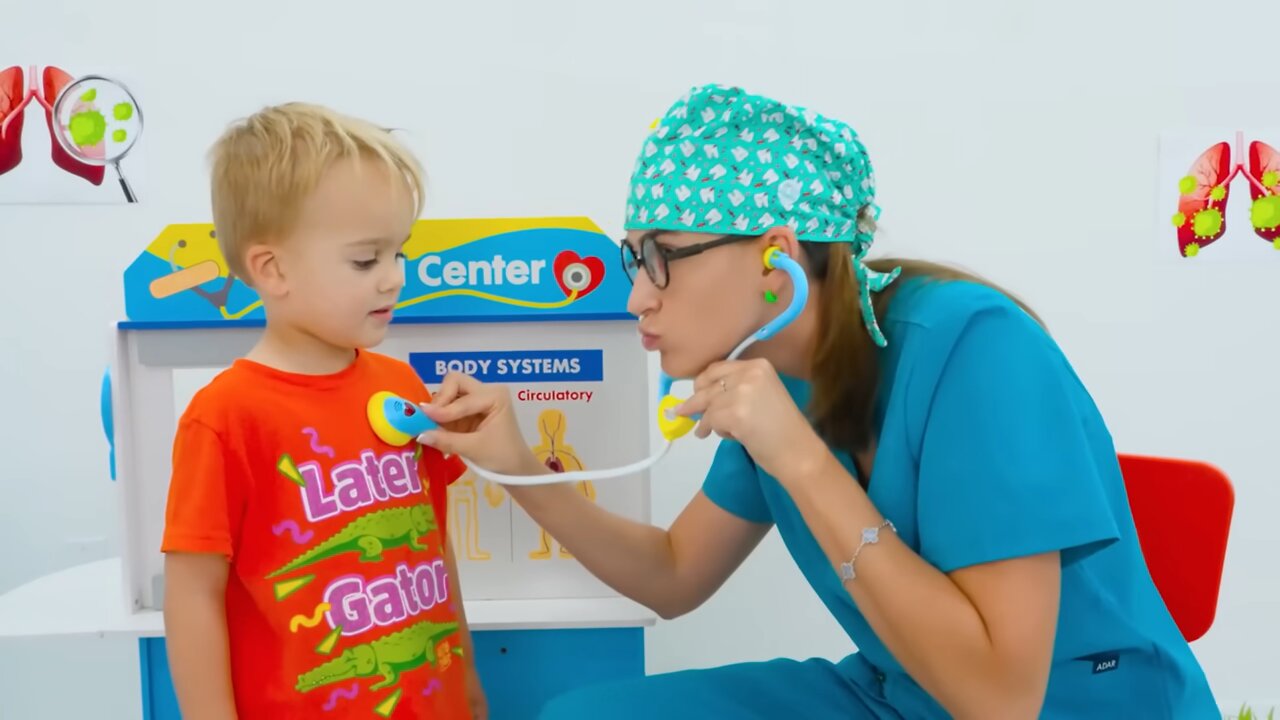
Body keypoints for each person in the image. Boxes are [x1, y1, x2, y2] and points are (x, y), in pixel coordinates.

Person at [415, 84, 1220, 719]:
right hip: (898, 695)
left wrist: (797, 457)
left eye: (661, 258)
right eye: (633, 260)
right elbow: (674, 575)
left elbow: (999, 700)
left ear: (776, 258)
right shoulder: (770, 367)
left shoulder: (977, 350)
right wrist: (520, 470)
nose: (636, 300)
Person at [160, 103, 487, 719]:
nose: (394, 279)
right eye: (366, 260)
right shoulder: (224, 417)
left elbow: (431, 544)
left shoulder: (399, 384)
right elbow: (192, 596)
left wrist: (464, 675)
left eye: (399, 253)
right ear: (272, 269)